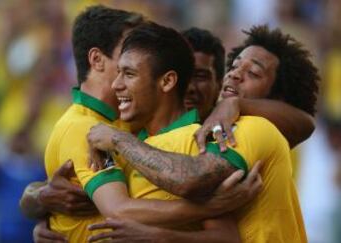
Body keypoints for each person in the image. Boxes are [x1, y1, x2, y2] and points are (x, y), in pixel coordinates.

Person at [21, 6, 260, 243]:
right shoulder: (87, 130)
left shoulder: (130, 127)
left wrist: (231, 105)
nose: (134, 54)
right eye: (127, 49)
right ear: (96, 59)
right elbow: (118, 209)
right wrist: (210, 206)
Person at [86, 25, 319, 242]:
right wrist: (48, 200)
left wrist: (118, 139)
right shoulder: (195, 131)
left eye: (254, 73)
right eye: (235, 66)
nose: (235, 74)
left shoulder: (254, 127)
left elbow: (190, 180)